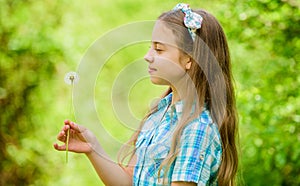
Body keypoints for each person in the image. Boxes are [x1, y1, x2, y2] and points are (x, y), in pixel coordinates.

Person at [54, 3, 238, 186]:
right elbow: (129, 182)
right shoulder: (160, 114)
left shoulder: (196, 128)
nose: (147, 56)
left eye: (159, 49)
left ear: (189, 58)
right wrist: (92, 148)